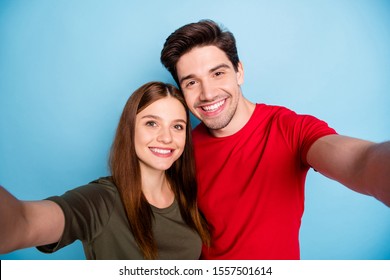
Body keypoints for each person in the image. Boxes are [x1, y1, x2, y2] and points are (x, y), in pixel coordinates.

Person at [160, 19, 390, 260]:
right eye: (192, 82)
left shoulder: (290, 129)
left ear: (239, 71)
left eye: (217, 73)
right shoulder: (180, 148)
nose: (207, 94)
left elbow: (360, 162)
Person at [0, 81, 210, 260]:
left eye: (178, 126)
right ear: (130, 130)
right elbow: (24, 222)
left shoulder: (188, 194)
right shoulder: (102, 201)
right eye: (152, 123)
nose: (166, 138)